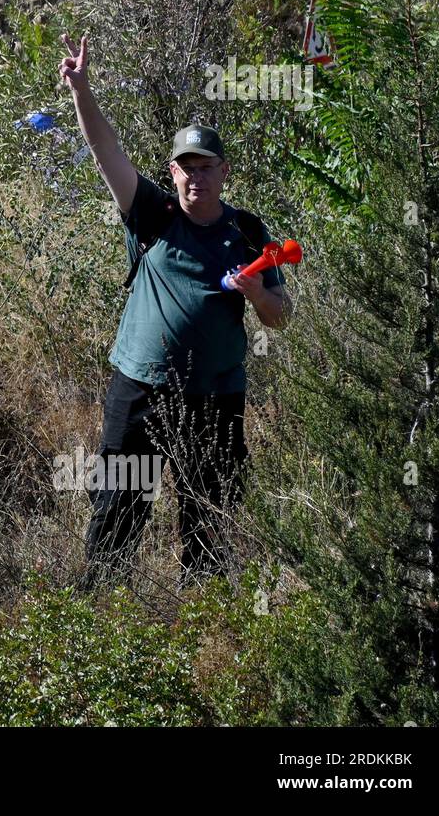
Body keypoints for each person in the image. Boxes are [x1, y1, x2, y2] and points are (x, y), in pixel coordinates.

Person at [60, 34, 292, 586]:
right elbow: (106, 153)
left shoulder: (249, 231)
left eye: (206, 165)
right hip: (139, 388)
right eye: (186, 166)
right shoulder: (153, 214)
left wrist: (255, 292)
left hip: (215, 395)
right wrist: (81, 90)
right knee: (117, 511)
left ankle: (201, 632)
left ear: (224, 171)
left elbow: (280, 314)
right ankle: (94, 626)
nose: (196, 176)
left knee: (209, 520)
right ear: (172, 172)